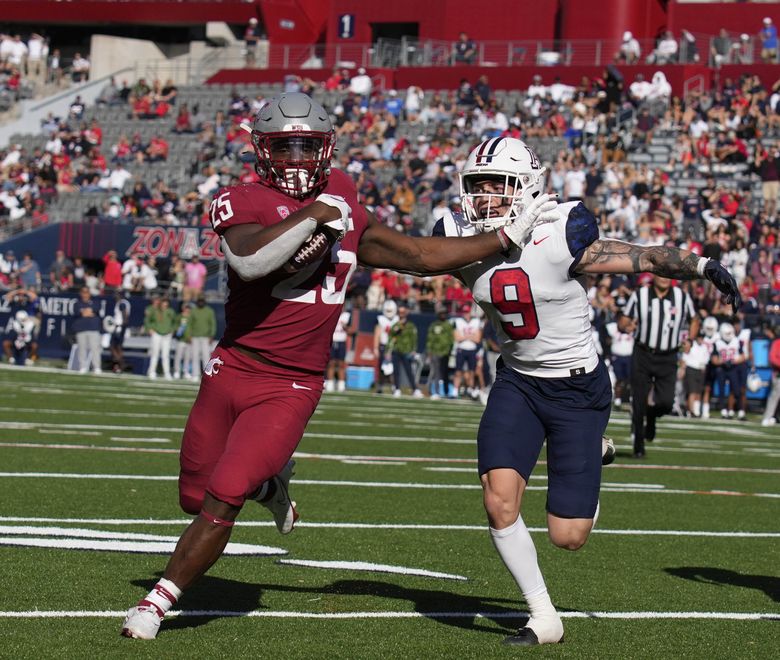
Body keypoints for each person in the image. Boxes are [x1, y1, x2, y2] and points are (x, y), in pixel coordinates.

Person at [120, 92, 522, 640]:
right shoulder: (241, 199)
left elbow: (417, 256)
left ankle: (157, 602)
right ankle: (271, 490)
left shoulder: (345, 195)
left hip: (292, 382)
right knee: (193, 494)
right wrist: (314, 215)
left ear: (327, 146)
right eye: (285, 146)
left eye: (308, 144)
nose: (297, 158)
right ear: (262, 150)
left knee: (222, 496)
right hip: (233, 365)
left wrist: (502, 237)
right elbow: (249, 259)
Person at [430, 136, 739, 646]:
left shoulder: (560, 232)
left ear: (527, 188)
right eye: (477, 186)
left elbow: (640, 257)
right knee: (499, 501)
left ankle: (593, 452)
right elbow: (410, 256)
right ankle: (543, 616)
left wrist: (700, 266)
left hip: (576, 387)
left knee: (567, 537)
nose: (485, 197)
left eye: (497, 185)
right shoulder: (455, 233)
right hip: (517, 383)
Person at [620, 274, 700, 457]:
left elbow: (694, 319)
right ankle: (638, 448)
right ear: (653, 276)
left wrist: (691, 339)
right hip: (643, 353)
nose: (664, 278)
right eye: (660, 273)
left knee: (666, 402)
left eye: (667, 274)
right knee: (638, 401)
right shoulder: (640, 295)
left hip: (668, 356)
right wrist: (626, 326)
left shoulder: (681, 297)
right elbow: (624, 320)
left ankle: (653, 415)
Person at [387, 302, 423, 397]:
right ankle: (397, 389)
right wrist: (388, 350)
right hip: (396, 350)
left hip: (406, 351)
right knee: (396, 371)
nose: (401, 314)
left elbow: (414, 339)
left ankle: (415, 389)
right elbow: (390, 338)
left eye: (403, 312)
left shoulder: (411, 326)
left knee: (409, 372)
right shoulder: (395, 325)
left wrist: (413, 350)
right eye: (400, 312)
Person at [144, 296, 176, 380]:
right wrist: (149, 328)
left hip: (167, 335)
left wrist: (172, 330)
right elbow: (148, 320)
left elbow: (175, 322)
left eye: (166, 304)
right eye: (163, 304)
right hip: (157, 333)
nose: (164, 306)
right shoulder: (155, 311)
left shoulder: (170, 312)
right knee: (155, 354)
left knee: (165, 355)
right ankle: (152, 371)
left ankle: (167, 373)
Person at [425, 305, 454, 399]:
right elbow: (430, 339)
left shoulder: (448, 325)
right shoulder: (434, 325)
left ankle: (446, 392)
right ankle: (434, 391)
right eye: (441, 313)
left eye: (444, 313)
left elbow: (451, 340)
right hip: (435, 352)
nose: (443, 315)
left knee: (445, 373)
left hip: (445, 353)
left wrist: (449, 351)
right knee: (435, 372)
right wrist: (429, 351)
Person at [73, 286, 102, 374]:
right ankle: (82, 366)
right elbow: (80, 312)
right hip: (81, 329)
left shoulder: (95, 302)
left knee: (95, 349)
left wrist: (85, 312)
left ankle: (96, 367)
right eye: (83, 292)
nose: (85, 294)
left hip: (93, 329)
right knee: (82, 349)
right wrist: (87, 312)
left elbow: (95, 310)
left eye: (87, 292)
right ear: (81, 293)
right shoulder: (77, 303)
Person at [188, 295, 217, 379]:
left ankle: (206, 375)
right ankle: (195, 374)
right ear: (197, 301)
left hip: (206, 337)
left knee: (206, 356)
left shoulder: (209, 311)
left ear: (204, 302)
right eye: (199, 301)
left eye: (202, 301)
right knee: (195, 355)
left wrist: (212, 335)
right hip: (194, 336)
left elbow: (212, 324)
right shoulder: (193, 311)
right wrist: (189, 335)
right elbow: (189, 324)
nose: (201, 302)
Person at [373, 299, 399, 394]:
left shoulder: (397, 319)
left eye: (390, 310)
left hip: (394, 346)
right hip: (383, 345)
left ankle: (395, 387)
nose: (389, 313)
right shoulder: (380, 319)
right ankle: (380, 387)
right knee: (382, 368)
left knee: (394, 368)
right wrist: (375, 347)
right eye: (387, 310)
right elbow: (377, 333)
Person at [326, 308, 351, 392]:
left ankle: (341, 385)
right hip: (332, 341)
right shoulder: (331, 312)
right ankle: (330, 384)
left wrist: (345, 327)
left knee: (341, 364)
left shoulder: (347, 316)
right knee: (331, 363)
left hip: (341, 342)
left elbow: (352, 330)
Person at [761, 326, 780, 426]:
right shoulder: (777, 343)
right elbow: (773, 358)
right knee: (775, 396)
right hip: (778, 374)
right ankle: (767, 417)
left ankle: (774, 417)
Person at [109, 290, 131, 373]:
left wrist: (121, 327)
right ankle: (119, 365)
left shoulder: (122, 303)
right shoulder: (123, 303)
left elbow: (124, 316)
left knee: (114, 346)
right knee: (116, 347)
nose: (115, 296)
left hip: (119, 327)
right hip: (119, 327)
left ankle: (121, 363)